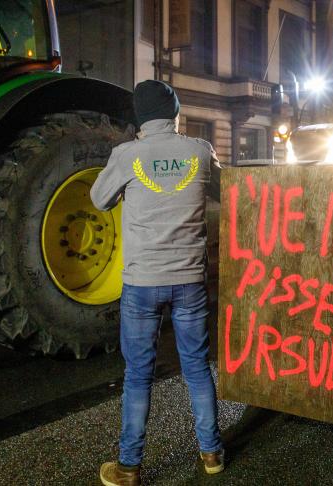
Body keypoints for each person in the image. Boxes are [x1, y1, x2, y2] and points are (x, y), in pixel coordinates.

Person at [91, 80, 224, 486]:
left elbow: (99, 199)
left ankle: (129, 467)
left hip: (142, 283)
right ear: (175, 112)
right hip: (189, 280)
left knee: (138, 375)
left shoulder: (126, 155)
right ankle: (211, 453)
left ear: (139, 118)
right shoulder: (199, 151)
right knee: (198, 368)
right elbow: (228, 191)